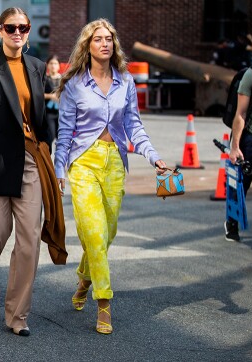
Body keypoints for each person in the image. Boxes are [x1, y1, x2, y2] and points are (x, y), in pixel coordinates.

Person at [55, 18, 167, 334]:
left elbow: (134, 126)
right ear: (87, 46)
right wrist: (59, 169)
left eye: (109, 39)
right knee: (93, 231)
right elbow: (64, 131)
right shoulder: (75, 83)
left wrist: (154, 156)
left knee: (107, 233)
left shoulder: (125, 82)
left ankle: (84, 278)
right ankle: (104, 303)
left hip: (115, 163)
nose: (105, 43)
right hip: (84, 164)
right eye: (98, 39)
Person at [0, 7, 65, 338]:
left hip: (31, 160)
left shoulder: (37, 67)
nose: (17, 32)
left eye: (23, 27)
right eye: (11, 27)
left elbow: (43, 117)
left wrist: (48, 147)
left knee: (29, 239)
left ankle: (17, 315)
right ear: (0, 30)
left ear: (28, 31)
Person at [226, 66, 252, 242]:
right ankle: (232, 222)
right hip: (251, 137)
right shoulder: (251, 75)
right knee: (242, 183)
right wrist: (235, 147)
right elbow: (240, 113)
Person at [44, 54, 62, 146]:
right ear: (47, 65)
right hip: (49, 112)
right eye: (51, 63)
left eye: (55, 63)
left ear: (59, 65)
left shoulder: (64, 79)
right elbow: (38, 95)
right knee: (50, 137)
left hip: (62, 113)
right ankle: (48, 159)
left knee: (62, 139)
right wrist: (51, 96)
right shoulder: (44, 79)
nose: (53, 66)